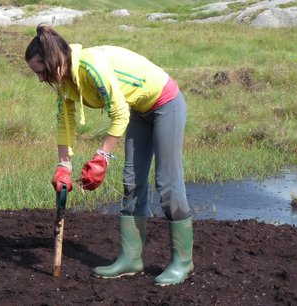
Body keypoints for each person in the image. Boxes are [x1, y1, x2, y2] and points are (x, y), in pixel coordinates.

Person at [25, 24, 193, 286]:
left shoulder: (91, 67)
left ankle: (183, 262)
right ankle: (131, 258)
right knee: (131, 180)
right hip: (140, 109)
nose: (41, 79)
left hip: (165, 103)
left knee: (167, 182)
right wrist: (63, 165)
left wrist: (102, 156)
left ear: (54, 61)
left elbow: (119, 112)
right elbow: (65, 121)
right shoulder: (66, 81)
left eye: (42, 73)